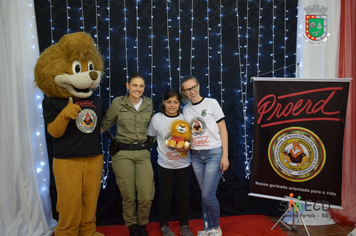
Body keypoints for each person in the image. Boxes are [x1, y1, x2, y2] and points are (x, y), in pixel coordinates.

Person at [101, 73, 154, 236]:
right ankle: (132, 226)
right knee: (128, 195)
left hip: (143, 154)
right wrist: (83, 137)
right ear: (128, 86)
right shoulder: (118, 103)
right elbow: (105, 124)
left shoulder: (149, 104)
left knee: (146, 196)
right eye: (135, 85)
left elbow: (153, 127)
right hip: (123, 154)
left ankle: (142, 224)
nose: (138, 89)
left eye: (141, 86)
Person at [180, 75, 229, 236]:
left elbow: (223, 130)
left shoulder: (211, 103)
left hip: (214, 153)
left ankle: (216, 227)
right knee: (204, 194)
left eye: (194, 87)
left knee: (208, 195)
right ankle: (207, 228)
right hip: (196, 156)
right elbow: (186, 133)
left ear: (198, 86)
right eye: (188, 89)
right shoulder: (186, 109)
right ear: (184, 92)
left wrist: (225, 156)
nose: (192, 91)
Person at [147, 90, 193, 236]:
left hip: (183, 164)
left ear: (179, 103)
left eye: (175, 102)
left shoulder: (185, 117)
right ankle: (164, 225)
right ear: (163, 102)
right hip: (164, 165)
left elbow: (192, 139)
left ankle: (184, 225)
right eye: (169, 102)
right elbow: (151, 136)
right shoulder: (157, 118)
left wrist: (187, 146)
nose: (172, 105)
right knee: (165, 196)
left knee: (183, 196)